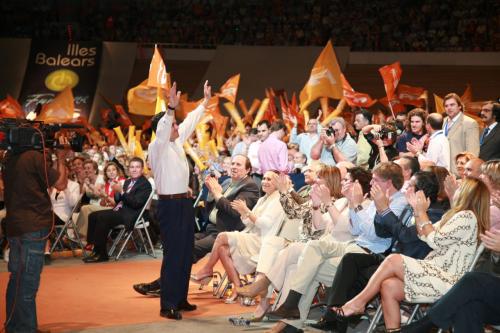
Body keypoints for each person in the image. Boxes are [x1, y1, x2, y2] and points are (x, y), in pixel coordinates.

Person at [332, 178, 490, 332]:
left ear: (467, 194)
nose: (455, 191)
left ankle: (358, 303)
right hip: (434, 273)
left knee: (393, 260)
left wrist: (422, 212)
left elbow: (434, 240)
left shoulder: (467, 217)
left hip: (448, 279)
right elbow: (423, 234)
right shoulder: (456, 216)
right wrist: (417, 211)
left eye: (460, 188)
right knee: (388, 286)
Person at [147, 81, 212, 320]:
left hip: (184, 204)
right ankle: (168, 305)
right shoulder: (158, 146)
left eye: (175, 124)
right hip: (170, 205)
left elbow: (190, 122)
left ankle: (181, 299)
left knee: (185, 252)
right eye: (173, 124)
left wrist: (204, 102)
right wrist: (170, 110)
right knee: (174, 254)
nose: (177, 127)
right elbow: (165, 127)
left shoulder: (175, 141)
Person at [3, 143, 69, 333]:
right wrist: (61, 158)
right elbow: (61, 184)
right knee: (28, 281)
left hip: (16, 226)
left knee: (16, 278)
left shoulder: (9, 157)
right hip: (33, 226)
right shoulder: (32, 156)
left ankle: (14, 326)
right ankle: (27, 329)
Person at [190, 170, 285, 301]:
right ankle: (237, 287)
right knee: (222, 249)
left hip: (263, 242)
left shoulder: (278, 199)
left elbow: (265, 225)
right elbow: (248, 223)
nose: (265, 181)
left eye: (270, 179)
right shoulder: (263, 199)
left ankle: (207, 269)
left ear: (278, 182)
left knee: (222, 236)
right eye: (264, 178)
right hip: (251, 236)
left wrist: (246, 211)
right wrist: (243, 213)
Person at [84, 157, 152, 263]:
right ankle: (95, 249)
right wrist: (116, 191)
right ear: (128, 169)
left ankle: (102, 254)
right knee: (92, 216)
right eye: (132, 167)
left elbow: (135, 204)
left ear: (142, 169)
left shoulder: (145, 184)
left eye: (137, 167)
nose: (134, 169)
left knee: (102, 218)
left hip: (131, 214)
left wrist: (122, 192)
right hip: (120, 210)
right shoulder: (128, 181)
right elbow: (118, 200)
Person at [442, 93, 480, 175]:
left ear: (459, 106)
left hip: (459, 173)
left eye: (452, 105)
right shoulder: (442, 121)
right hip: (442, 171)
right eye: (446, 106)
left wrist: (467, 173)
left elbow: (472, 153)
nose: (449, 108)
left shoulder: (470, 123)